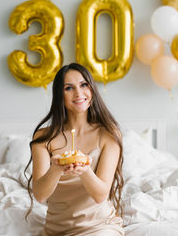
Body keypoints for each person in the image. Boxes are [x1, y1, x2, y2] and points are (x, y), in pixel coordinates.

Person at [25, 63, 124, 235]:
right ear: (59, 95)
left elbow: (100, 195)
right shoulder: (43, 138)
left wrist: (84, 171)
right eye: (69, 88)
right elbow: (40, 195)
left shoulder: (109, 134)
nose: (78, 93)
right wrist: (56, 168)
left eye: (84, 85)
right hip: (56, 230)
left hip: (99, 227)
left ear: (92, 89)